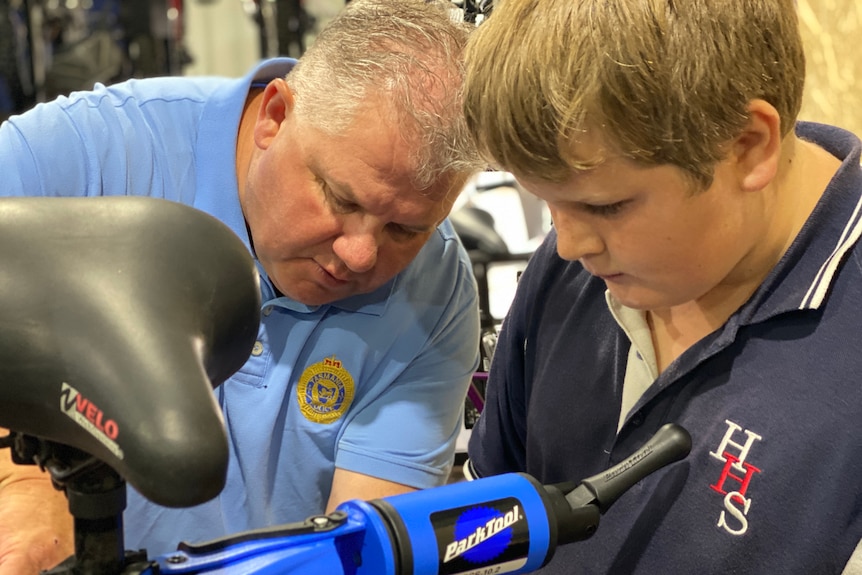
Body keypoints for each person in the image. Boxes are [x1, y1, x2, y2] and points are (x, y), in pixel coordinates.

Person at [0, 0, 484, 572]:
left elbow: (364, 545)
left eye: (405, 228)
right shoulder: (72, 156)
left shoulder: (436, 292)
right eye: (342, 199)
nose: (360, 254)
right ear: (274, 117)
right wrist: (21, 483)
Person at [462, 0, 862, 573]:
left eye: (606, 205)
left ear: (749, 145)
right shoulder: (567, 267)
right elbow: (488, 534)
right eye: (545, 201)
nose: (570, 243)